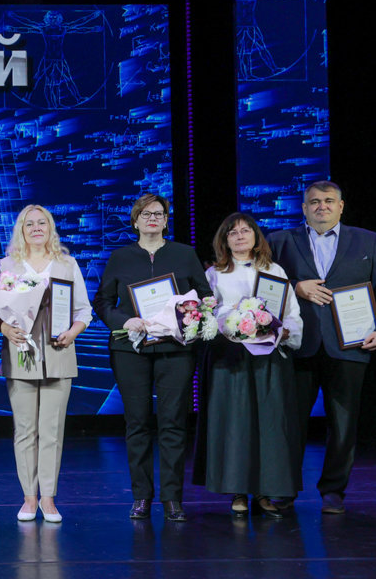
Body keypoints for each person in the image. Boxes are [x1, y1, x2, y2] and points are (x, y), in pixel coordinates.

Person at [269, 181, 376, 514]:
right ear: (303, 208)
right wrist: (296, 287)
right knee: (289, 424)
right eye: (314, 202)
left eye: (329, 201)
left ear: (341, 206)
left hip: (350, 347)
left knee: (343, 425)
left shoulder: (368, 240)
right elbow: (264, 288)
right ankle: (285, 489)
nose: (322, 206)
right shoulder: (280, 241)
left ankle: (333, 491)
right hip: (297, 346)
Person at [94, 193, 210, 522]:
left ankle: (172, 498)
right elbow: (102, 302)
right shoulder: (120, 257)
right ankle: (141, 497)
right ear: (135, 221)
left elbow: (205, 296)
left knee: (173, 423)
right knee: (138, 424)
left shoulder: (184, 254)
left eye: (159, 214)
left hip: (175, 350)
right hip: (131, 350)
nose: (152, 219)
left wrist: (194, 314)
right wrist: (124, 320)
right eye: (145, 214)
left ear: (166, 220)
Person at [194, 213, 303, 518]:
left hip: (268, 359)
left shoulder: (274, 270)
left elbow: (291, 311)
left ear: (256, 237)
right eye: (233, 232)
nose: (240, 236)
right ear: (224, 240)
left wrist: (284, 331)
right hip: (231, 359)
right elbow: (207, 312)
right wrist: (234, 319)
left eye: (245, 231)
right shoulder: (214, 274)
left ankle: (266, 492)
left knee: (269, 426)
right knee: (236, 425)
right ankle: (238, 491)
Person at [0, 205, 91, 524]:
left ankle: (48, 498)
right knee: (25, 430)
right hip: (21, 351)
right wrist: (4, 327)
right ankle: (29, 498)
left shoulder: (67, 263)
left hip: (59, 353)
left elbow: (83, 310)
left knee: (51, 430)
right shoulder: (7, 265)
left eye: (42, 223)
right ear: (21, 230)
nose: (36, 228)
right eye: (29, 224)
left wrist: (72, 332)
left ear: (50, 228)